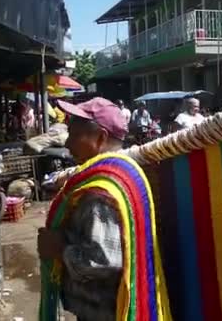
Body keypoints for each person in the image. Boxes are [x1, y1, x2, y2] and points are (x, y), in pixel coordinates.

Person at [37, 97, 170, 320]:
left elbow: (104, 259)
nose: (67, 144)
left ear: (100, 137)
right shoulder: (127, 172)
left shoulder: (99, 190)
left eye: (74, 135)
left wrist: (59, 249)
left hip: (104, 310)